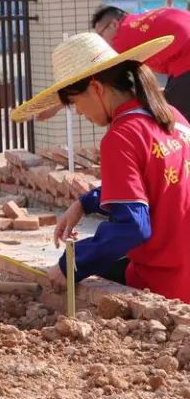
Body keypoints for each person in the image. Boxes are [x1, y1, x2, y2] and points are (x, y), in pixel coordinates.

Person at [10, 32, 190, 302]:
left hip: (168, 282)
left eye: (75, 103)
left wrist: (70, 265)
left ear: (96, 89)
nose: (80, 113)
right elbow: (152, 180)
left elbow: (133, 227)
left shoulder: (121, 136)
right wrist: (85, 202)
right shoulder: (170, 116)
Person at [92, 5, 190, 121]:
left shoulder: (121, 37)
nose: (102, 41)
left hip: (185, 63)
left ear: (114, 24)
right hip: (181, 61)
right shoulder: (144, 20)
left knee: (178, 122)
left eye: (101, 35)